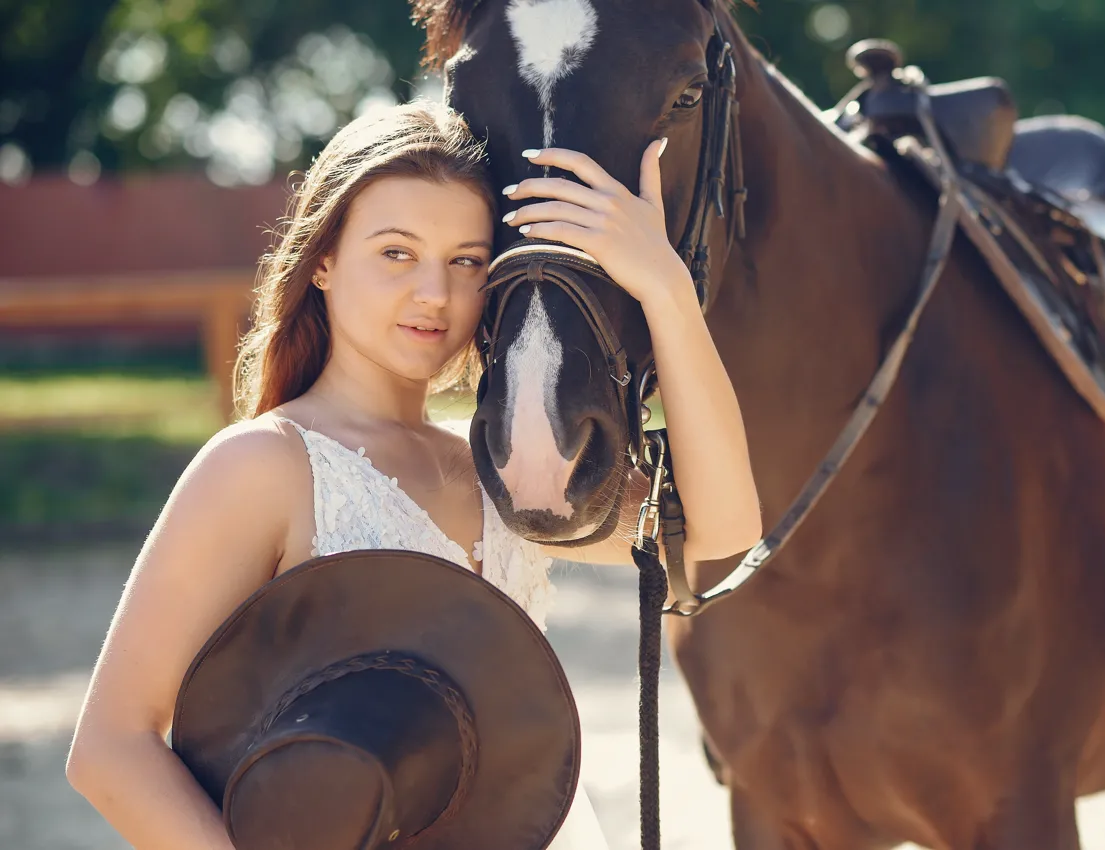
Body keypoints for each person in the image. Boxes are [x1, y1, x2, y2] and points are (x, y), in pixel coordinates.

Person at [65, 98, 762, 850]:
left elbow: (720, 529)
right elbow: (111, 747)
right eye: (397, 253)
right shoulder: (263, 465)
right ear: (324, 260)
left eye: (466, 261)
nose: (436, 294)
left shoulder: (498, 463)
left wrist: (666, 290)